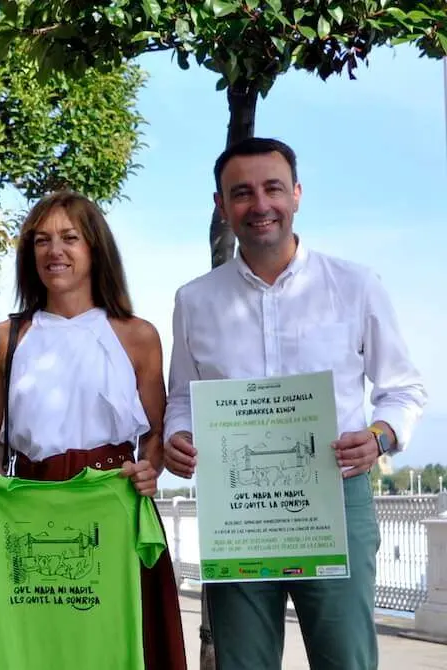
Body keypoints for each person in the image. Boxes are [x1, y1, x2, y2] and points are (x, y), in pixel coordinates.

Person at [162, 137, 426, 670]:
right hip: (237, 512)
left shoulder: (355, 285)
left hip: (336, 496)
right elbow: (182, 399)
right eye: (241, 193)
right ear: (221, 205)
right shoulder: (195, 300)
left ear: (298, 194)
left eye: (273, 188)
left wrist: (379, 438)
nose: (260, 205)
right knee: (243, 663)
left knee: (345, 659)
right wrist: (177, 440)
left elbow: (404, 390)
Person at [0, 191, 187, 669]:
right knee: (38, 646)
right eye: (41, 241)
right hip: (28, 502)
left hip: (113, 503)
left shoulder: (137, 335)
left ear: (95, 248)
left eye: (69, 238)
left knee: (124, 642)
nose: (53, 251)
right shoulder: (4, 338)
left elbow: (155, 432)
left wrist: (149, 471)